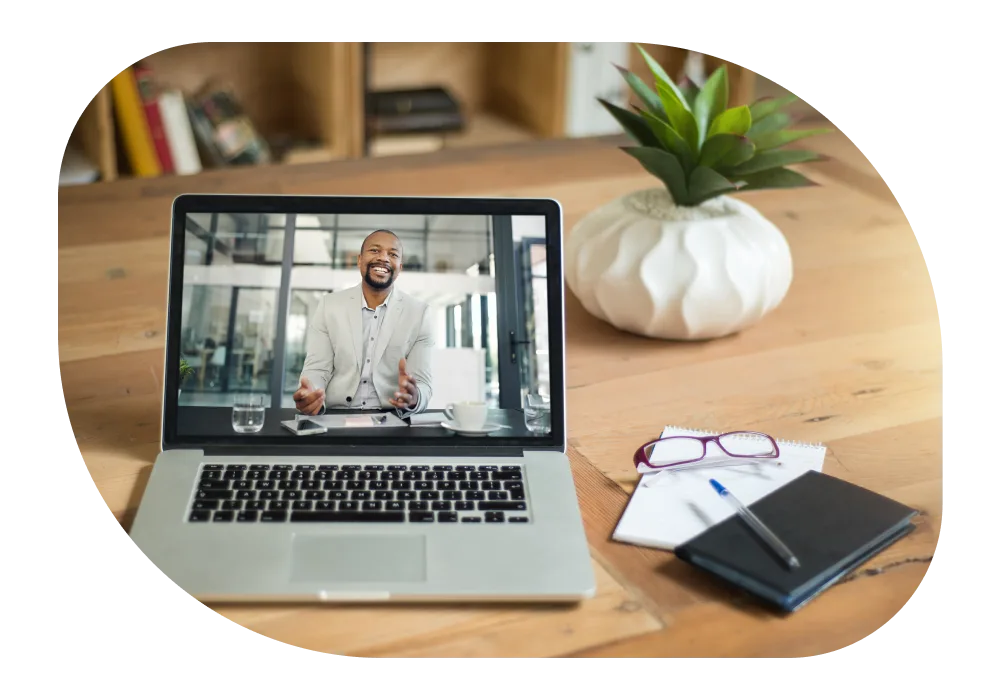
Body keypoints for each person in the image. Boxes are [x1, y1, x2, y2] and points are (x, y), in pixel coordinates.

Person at [294, 229, 434, 417]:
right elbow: (317, 369)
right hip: (336, 415)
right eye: (375, 250)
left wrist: (414, 397)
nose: (383, 258)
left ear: (399, 268)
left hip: (393, 417)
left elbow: (423, 384)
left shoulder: (419, 313)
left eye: (392, 254)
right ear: (359, 260)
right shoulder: (330, 305)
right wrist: (311, 394)